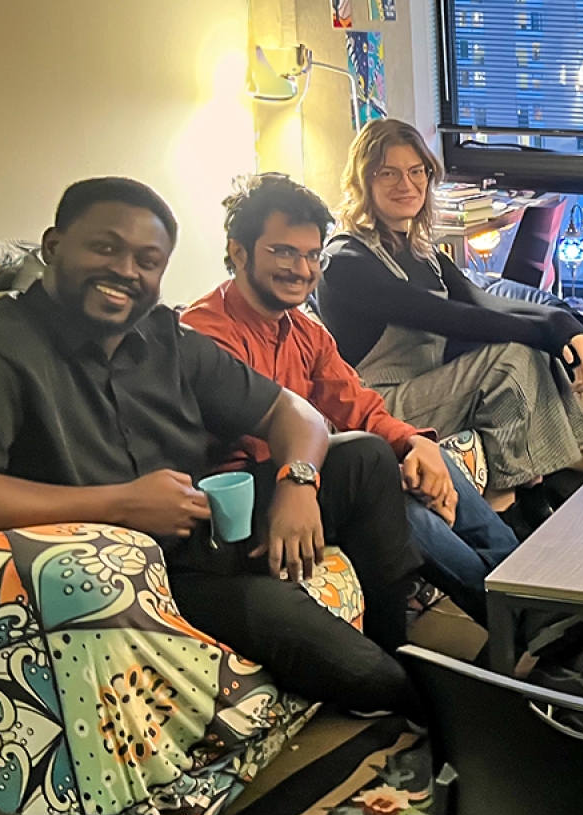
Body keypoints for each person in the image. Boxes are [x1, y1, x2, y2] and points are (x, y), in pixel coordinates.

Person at [0, 177, 425, 718]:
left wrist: (297, 483)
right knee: (372, 679)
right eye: (105, 247)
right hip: (148, 575)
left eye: (147, 260)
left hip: (216, 529)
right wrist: (119, 503)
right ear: (54, 247)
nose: (126, 270)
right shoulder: (3, 345)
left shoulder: (165, 336)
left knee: (362, 455)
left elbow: (295, 413)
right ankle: (404, 692)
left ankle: (396, 642)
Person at [182, 173, 519, 624]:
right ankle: (513, 619)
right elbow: (249, 447)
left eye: (310, 256)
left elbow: (358, 405)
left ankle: (529, 592)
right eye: (283, 252)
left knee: (423, 457)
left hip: (314, 473)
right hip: (250, 498)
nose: (301, 270)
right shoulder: (206, 334)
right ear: (238, 251)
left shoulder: (304, 330)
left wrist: (415, 445)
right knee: (382, 482)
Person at [316, 118, 583, 525]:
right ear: (364, 181)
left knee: (528, 351)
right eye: (389, 173)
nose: (407, 184)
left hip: (431, 389)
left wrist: (562, 321)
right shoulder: (345, 260)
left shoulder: (423, 250)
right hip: (381, 406)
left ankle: (549, 485)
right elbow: (451, 318)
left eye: (417, 171)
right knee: (512, 358)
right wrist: (546, 334)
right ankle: (522, 502)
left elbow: (483, 301)